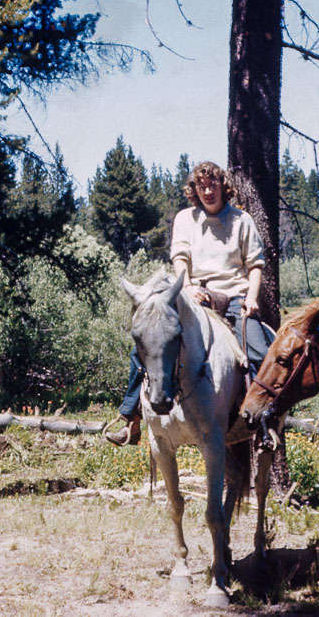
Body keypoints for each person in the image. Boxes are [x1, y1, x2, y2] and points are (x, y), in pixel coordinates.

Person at [104, 161, 272, 446]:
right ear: (194, 190)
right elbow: (180, 258)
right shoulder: (185, 218)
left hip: (233, 295)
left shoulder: (242, 221)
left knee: (260, 352)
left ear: (223, 186)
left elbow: (255, 264)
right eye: (201, 187)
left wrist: (252, 298)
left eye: (213, 185)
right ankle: (130, 416)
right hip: (194, 296)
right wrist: (189, 286)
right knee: (148, 344)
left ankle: (264, 423)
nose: (208, 192)